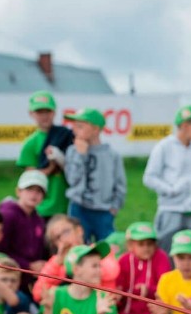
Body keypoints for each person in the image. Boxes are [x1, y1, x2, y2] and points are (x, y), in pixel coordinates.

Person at [143, 104, 191, 253]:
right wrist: (169, 190)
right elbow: (149, 177)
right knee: (166, 249)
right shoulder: (164, 147)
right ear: (184, 125)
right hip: (170, 210)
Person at [63, 108, 127, 242]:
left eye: (80, 126)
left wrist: (114, 207)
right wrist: (81, 155)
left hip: (104, 211)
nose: (75, 130)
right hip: (78, 209)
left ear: (96, 130)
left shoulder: (112, 155)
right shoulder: (72, 151)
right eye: (74, 126)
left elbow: (120, 184)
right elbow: (72, 180)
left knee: (106, 248)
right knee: (77, 246)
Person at [33, 215, 120, 303]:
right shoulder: (57, 261)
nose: (63, 239)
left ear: (79, 231)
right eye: (57, 238)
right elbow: (38, 293)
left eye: (66, 232)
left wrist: (84, 265)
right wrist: (57, 264)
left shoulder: (95, 251)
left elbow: (112, 271)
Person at [16, 90, 75, 220]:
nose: (44, 116)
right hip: (41, 205)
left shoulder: (66, 135)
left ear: (54, 112)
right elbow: (31, 177)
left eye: (47, 111)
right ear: (31, 114)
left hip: (66, 201)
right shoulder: (30, 144)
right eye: (39, 112)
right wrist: (52, 165)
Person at [114, 222, 171, 314]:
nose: (146, 248)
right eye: (141, 244)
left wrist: (149, 290)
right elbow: (118, 287)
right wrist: (117, 296)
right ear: (130, 246)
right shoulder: (124, 260)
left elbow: (166, 286)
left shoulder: (161, 258)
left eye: (150, 244)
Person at [0, 170, 49, 275]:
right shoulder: (7, 216)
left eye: (39, 191)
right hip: (8, 274)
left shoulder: (39, 219)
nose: (34, 194)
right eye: (29, 189)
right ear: (18, 191)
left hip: (31, 276)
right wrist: (28, 265)